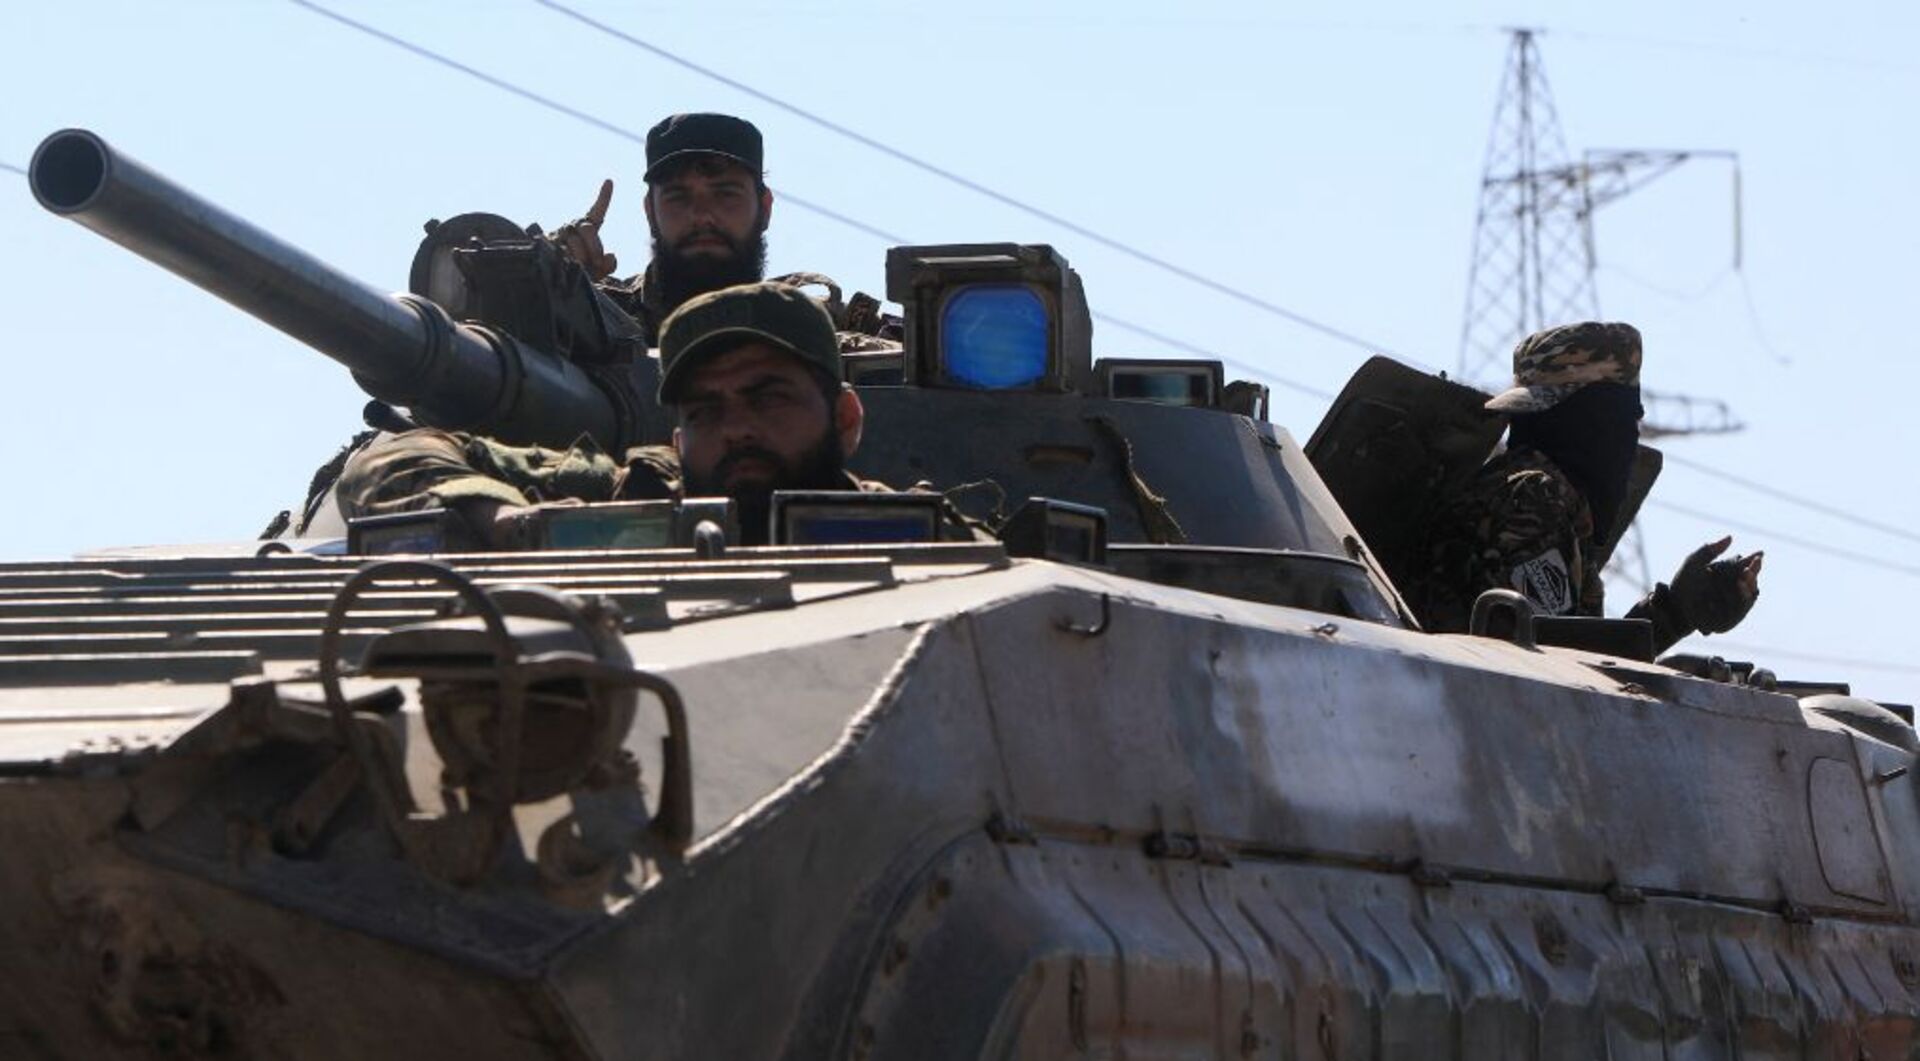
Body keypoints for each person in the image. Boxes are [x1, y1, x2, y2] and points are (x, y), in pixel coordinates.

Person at [335, 281, 958, 547]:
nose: (737, 428)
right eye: (705, 410)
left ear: (846, 418)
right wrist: (500, 519)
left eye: (769, 398)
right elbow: (388, 461)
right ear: (678, 439)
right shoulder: (630, 499)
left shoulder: (929, 541)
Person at [1407, 321, 1762, 654]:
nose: (1628, 439)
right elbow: (1550, 675)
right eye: (1623, 420)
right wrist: (1672, 617)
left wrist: (1675, 614)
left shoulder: (1523, 490)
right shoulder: (1532, 497)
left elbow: (1569, 664)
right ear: (1590, 420)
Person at [549, 112, 775, 346]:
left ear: (765, 208)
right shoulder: (597, 318)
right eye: (678, 196)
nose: (701, 216)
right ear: (650, 211)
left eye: (725, 194)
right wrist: (546, 274)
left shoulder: (797, 329)